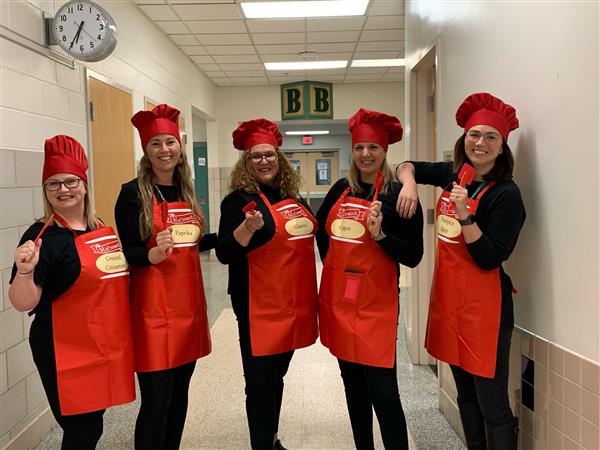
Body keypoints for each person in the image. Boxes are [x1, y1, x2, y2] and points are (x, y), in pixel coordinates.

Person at [395, 92, 526, 450]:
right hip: (451, 306)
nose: (480, 143)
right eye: (474, 134)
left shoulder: (507, 196)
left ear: (502, 148)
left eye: (490, 137)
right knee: (464, 395)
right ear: (463, 138)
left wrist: (465, 215)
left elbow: (488, 258)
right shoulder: (454, 174)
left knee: (491, 403)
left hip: (486, 312)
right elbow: (406, 165)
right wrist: (408, 182)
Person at [8, 135, 135, 450]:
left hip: (101, 341)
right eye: (53, 184)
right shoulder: (40, 237)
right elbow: (23, 302)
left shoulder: (99, 227)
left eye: (70, 182)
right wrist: (25, 271)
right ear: (45, 191)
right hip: (62, 347)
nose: (63, 190)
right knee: (83, 429)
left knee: (93, 423)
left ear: (84, 184)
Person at [316, 108, 424, 450]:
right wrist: (335, 265)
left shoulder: (399, 196)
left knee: (384, 391)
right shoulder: (339, 190)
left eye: (373, 148)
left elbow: (414, 255)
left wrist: (380, 238)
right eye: (360, 147)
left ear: (385, 151)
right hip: (341, 303)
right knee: (353, 386)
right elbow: (321, 228)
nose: (365, 154)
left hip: (376, 307)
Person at [114, 104, 215, 450]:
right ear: (146, 150)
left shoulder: (187, 191)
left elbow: (196, 243)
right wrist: (151, 254)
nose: (164, 150)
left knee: (180, 396)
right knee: (157, 401)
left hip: (187, 308)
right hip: (152, 312)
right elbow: (125, 252)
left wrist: (241, 232)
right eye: (155, 143)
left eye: (169, 142)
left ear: (179, 147)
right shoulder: (132, 193)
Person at [216, 118, 318, 450]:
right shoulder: (237, 201)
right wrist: (247, 228)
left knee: (277, 376)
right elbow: (224, 252)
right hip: (256, 305)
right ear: (247, 162)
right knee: (259, 382)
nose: (264, 161)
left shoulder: (292, 196)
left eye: (270, 155)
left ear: (280, 158)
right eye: (256, 156)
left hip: (291, 302)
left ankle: (271, 439)